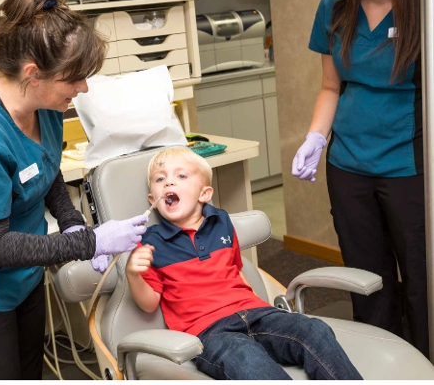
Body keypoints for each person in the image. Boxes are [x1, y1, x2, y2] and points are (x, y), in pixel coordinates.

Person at [0, 0, 148, 380]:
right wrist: (89, 241)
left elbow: (47, 169)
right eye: (73, 79)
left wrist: (72, 221)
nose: (82, 89)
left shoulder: (43, 102)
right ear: (33, 73)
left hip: (24, 276)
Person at [125, 147, 362, 380]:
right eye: (160, 179)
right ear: (152, 200)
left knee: (314, 330)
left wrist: (262, 309)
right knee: (245, 356)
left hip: (257, 313)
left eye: (181, 176)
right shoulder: (149, 243)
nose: (168, 183)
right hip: (209, 332)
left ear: (204, 194)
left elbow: (236, 271)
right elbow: (149, 304)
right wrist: (133, 274)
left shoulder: (222, 222)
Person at [291, 0, 427, 357]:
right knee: (367, 280)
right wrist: (315, 138)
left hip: (409, 164)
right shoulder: (334, 4)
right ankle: (380, 363)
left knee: (423, 279)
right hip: (348, 163)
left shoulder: (423, 2)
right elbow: (331, 87)